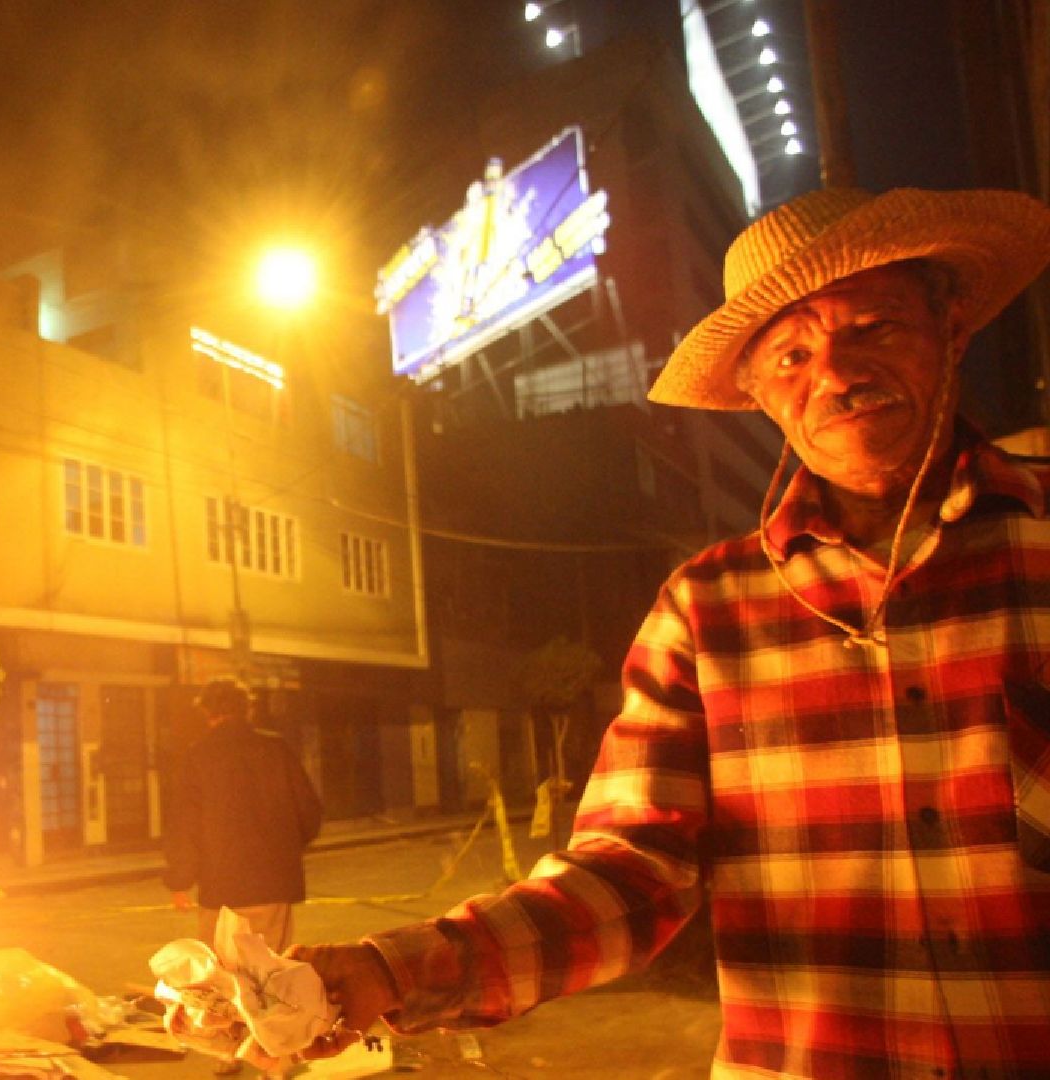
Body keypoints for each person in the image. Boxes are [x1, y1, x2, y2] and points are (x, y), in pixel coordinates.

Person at [289, 187, 1050, 1077]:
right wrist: (387, 972)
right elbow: (628, 874)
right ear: (759, 393)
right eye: (794, 355)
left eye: (874, 328)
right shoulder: (706, 608)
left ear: (950, 329)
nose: (836, 376)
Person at [163, 678, 322, 954]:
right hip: (273, 887)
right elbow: (309, 813)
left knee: (223, 975)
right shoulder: (276, 750)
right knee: (270, 971)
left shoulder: (198, 756)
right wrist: (284, 850)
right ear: (248, 709)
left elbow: (185, 826)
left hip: (220, 889)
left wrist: (180, 881)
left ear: (207, 713)